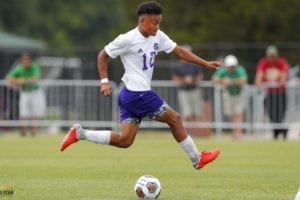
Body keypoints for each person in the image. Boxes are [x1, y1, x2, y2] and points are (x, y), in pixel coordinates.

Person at [60, 1, 222, 170]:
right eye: (154, 22)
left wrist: (205, 63)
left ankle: (80, 133)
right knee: (175, 119)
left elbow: (179, 51)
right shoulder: (127, 39)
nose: (157, 26)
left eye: (159, 22)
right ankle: (197, 158)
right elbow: (103, 55)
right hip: (138, 94)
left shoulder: (158, 36)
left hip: (129, 96)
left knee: (125, 141)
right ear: (142, 21)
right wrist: (104, 81)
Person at [6, 52, 46, 136]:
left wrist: (23, 80)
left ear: (30, 60)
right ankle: (23, 131)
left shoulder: (34, 66)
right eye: (24, 60)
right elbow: (9, 78)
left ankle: (34, 131)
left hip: (35, 92)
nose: (25, 61)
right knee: (23, 112)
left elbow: (36, 78)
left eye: (27, 60)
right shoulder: (20, 68)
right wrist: (18, 81)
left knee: (35, 112)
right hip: (25, 92)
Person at [254, 45, 289, 139]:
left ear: (277, 55)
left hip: (281, 93)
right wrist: (271, 77)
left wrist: (269, 77)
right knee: (271, 114)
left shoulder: (282, 62)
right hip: (270, 94)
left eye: (273, 56)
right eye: (270, 56)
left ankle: (279, 132)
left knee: (280, 114)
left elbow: (282, 81)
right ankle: (279, 131)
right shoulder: (263, 62)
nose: (272, 58)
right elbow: (258, 79)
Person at [171, 44, 204, 136]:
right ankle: (186, 133)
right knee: (186, 113)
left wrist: (192, 80)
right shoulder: (177, 66)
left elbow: (200, 77)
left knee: (195, 113)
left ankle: (194, 133)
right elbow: (175, 79)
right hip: (183, 91)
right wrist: (184, 80)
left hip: (194, 90)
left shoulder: (195, 65)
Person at [212, 55, 248, 139]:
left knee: (238, 114)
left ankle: (238, 133)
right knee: (231, 114)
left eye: (233, 66)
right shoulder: (223, 70)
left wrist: (230, 81)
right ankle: (234, 133)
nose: (231, 68)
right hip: (228, 94)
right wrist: (223, 80)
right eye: (230, 66)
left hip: (239, 94)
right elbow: (214, 79)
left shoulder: (240, 69)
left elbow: (243, 80)